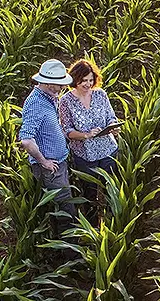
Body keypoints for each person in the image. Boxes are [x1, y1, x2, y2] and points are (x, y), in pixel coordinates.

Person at [19, 59, 77, 234]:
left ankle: (61, 241)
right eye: (60, 85)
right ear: (48, 83)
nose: (62, 88)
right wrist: (43, 162)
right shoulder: (36, 104)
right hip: (51, 169)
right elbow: (26, 140)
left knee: (60, 208)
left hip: (58, 163)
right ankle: (70, 247)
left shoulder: (49, 97)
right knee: (66, 211)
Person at [59, 59, 120, 221]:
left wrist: (113, 126)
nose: (88, 84)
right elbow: (67, 130)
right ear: (75, 79)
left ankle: (112, 223)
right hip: (85, 155)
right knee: (90, 194)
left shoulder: (100, 94)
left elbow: (111, 117)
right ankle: (93, 226)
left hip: (108, 150)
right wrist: (85, 135)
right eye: (83, 80)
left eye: (90, 80)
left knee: (111, 190)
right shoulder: (66, 101)